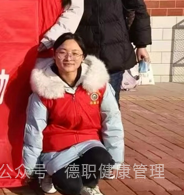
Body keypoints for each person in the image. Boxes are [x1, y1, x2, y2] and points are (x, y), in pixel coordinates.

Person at [23, 33, 124, 195]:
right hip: (56, 149)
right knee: (71, 187)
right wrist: (32, 168)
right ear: (54, 55)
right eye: (62, 52)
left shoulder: (98, 85)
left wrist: (116, 159)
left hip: (89, 144)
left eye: (75, 53)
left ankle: (90, 185)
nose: (69, 58)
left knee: (103, 160)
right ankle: (49, 173)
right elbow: (34, 129)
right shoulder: (43, 88)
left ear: (83, 57)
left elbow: (112, 121)